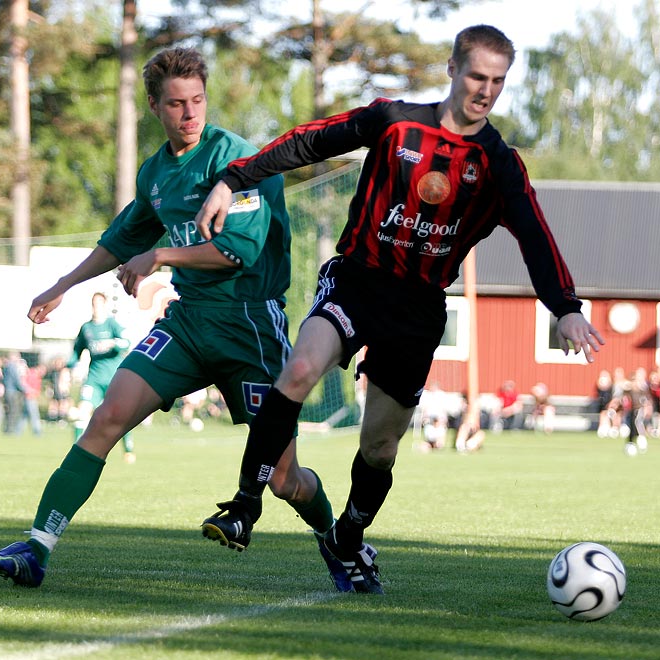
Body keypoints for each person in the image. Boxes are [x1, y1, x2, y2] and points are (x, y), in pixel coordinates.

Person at [194, 24, 604, 595]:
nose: (486, 91)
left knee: (379, 449)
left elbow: (534, 234)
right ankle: (243, 506)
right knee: (299, 370)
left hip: (418, 309)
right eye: (477, 76)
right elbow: (311, 139)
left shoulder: (497, 163)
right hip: (358, 281)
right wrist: (233, 179)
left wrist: (564, 307)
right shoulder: (394, 121)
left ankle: (349, 534)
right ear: (452, 70)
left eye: (498, 82)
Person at [0, 47, 346, 592]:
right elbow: (122, 239)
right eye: (176, 103)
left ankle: (340, 547)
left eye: (197, 100)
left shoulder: (240, 159)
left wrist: (160, 258)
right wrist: (62, 286)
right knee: (106, 417)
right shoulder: (156, 172)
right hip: (189, 322)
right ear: (154, 106)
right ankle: (36, 549)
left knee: (284, 478)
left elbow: (236, 252)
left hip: (249, 326)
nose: (190, 113)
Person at [68, 292, 134, 460]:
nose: (96, 308)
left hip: (114, 379)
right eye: (94, 304)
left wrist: (113, 343)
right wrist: (68, 367)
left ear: (104, 306)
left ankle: (128, 450)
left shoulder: (112, 324)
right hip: (94, 379)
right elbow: (76, 351)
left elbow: (127, 342)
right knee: (83, 412)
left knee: (121, 417)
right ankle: (77, 452)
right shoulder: (87, 328)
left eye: (99, 304)